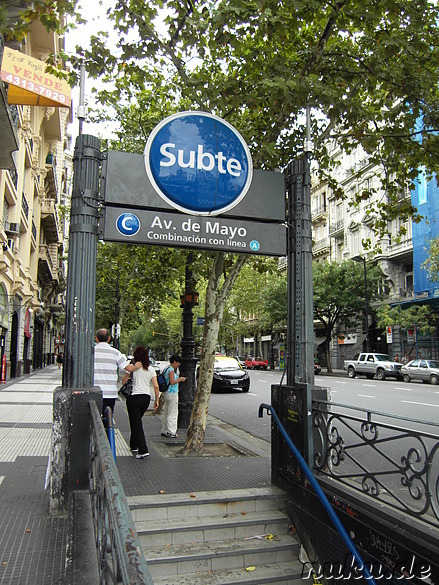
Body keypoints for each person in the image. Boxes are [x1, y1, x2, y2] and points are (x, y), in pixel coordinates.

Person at [94, 328, 139, 424]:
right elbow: (129, 368)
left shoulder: (90, 352)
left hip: (95, 392)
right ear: (109, 338)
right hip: (110, 393)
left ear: (96, 338)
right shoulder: (115, 353)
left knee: (95, 420)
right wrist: (138, 365)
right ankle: (108, 436)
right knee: (108, 420)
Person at [121, 346, 159, 459]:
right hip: (146, 398)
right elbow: (156, 386)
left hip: (134, 398)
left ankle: (143, 449)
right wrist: (156, 400)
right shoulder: (151, 369)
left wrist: (130, 371)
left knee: (136, 423)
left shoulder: (133, 368)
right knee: (136, 421)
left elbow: (123, 383)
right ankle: (133, 445)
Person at [160, 354, 186, 438]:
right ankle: (171, 431)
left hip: (167, 393)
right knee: (173, 412)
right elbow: (172, 381)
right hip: (172, 393)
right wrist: (180, 379)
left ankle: (165, 430)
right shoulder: (171, 370)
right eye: (178, 363)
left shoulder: (166, 368)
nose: (178, 365)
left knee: (167, 411)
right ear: (174, 361)